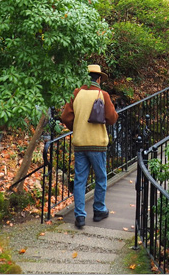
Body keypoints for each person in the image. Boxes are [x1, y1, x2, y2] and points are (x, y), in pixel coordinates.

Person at [60, 64, 118, 229]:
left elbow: (65, 116)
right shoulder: (103, 95)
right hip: (97, 144)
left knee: (79, 180)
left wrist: (76, 127)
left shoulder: (76, 94)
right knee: (100, 178)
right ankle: (99, 210)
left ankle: (80, 216)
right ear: (98, 79)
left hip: (80, 143)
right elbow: (112, 118)